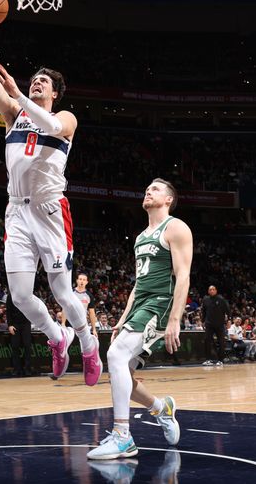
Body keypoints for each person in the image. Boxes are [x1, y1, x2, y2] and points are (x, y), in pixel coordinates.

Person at [0, 0, 101, 385]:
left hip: (50, 210)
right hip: (17, 211)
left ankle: (89, 347)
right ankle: (57, 339)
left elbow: (54, 128)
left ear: (54, 93)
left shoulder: (65, 117)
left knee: (62, 292)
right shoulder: (12, 115)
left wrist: (21, 95)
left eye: (44, 81)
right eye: (33, 78)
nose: (36, 81)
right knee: (21, 296)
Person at [87, 179, 192, 460]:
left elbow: (183, 275)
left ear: (168, 199)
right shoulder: (141, 236)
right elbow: (138, 283)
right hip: (141, 305)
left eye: (156, 189)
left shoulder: (176, 227)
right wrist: (123, 317)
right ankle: (161, 408)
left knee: (116, 355)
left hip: (161, 303)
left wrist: (175, 319)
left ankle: (123, 436)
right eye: (146, 188)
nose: (148, 191)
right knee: (123, 374)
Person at [7, 292, 33, 377]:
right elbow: (8, 310)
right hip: (15, 324)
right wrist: (10, 325)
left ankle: (27, 369)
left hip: (26, 323)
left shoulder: (26, 293)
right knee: (15, 347)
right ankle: (16, 369)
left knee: (27, 346)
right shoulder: (11, 295)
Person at [200, 285, 228, 366]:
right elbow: (204, 311)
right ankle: (208, 359)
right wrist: (203, 321)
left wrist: (229, 320)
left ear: (216, 291)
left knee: (221, 342)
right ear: (208, 291)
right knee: (207, 340)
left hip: (219, 324)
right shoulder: (205, 299)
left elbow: (227, 309)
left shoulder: (221, 299)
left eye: (213, 289)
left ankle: (220, 360)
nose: (211, 291)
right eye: (210, 290)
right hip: (209, 324)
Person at [66, 273, 97, 338]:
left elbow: (92, 313)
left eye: (84, 280)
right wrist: (63, 324)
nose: (82, 281)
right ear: (77, 280)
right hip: (70, 323)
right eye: (80, 279)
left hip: (83, 324)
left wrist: (94, 329)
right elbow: (65, 308)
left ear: (86, 282)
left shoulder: (89, 296)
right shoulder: (70, 293)